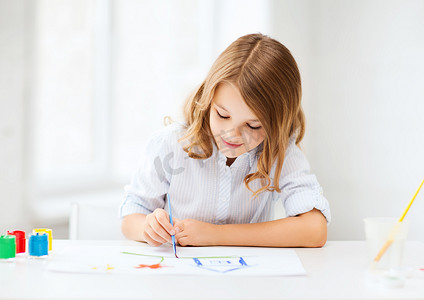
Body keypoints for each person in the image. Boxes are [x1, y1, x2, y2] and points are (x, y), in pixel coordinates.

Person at [120, 33, 331, 248]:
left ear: (277, 125)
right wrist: (148, 227)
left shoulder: (279, 151)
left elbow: (314, 229)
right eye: (222, 115)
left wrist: (215, 235)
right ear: (208, 99)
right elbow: (131, 216)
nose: (231, 134)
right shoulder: (171, 144)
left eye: (253, 126)